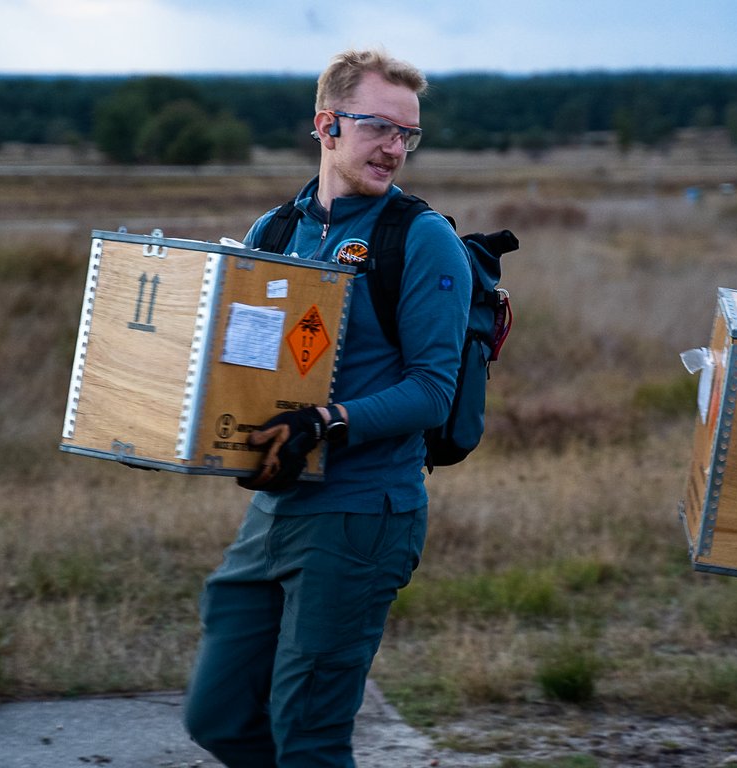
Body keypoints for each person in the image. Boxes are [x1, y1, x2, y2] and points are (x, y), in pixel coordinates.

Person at [182, 48, 470, 767]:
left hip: (362, 514)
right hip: (275, 508)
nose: (396, 148)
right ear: (327, 124)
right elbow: (239, 368)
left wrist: (327, 420)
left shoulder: (421, 239)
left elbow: (434, 391)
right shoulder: (274, 232)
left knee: (308, 736)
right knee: (218, 716)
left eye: (409, 134)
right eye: (380, 128)